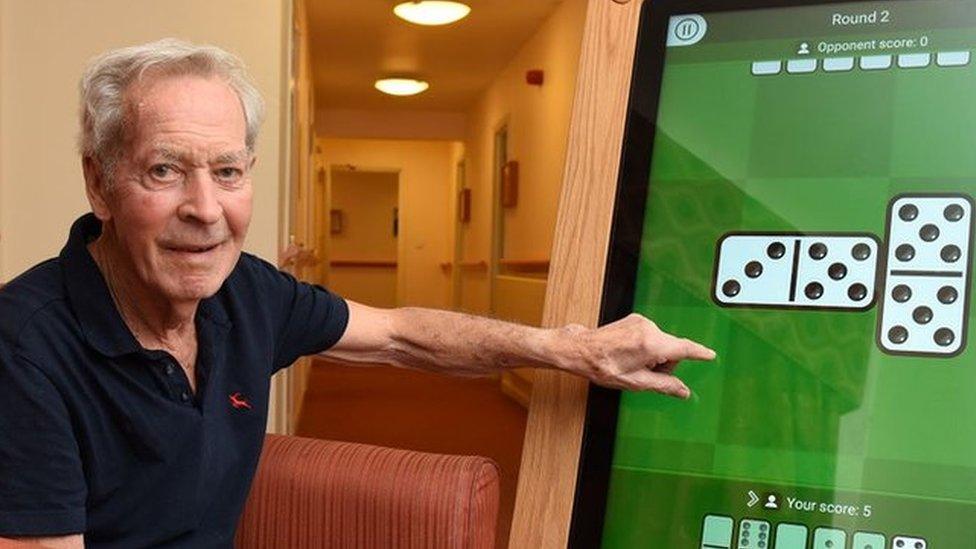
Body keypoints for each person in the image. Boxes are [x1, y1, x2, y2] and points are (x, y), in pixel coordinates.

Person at [0, 39, 715, 548]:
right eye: (164, 170)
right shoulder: (25, 345)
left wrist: (573, 347)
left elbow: (403, 334)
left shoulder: (245, 293)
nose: (206, 208)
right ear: (100, 184)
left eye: (227, 171)